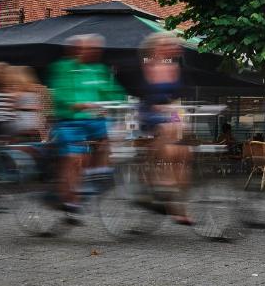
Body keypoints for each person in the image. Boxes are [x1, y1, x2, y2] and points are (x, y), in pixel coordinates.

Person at [47, 34, 126, 221]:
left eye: (96, 50)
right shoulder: (62, 68)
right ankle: (71, 199)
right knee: (74, 157)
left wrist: (120, 103)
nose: (93, 52)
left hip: (93, 119)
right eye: (88, 49)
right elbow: (60, 94)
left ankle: (96, 175)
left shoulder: (98, 69)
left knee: (110, 136)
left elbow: (113, 91)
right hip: (68, 120)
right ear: (75, 50)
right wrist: (79, 104)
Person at [137, 32, 191, 225]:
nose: (172, 47)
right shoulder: (148, 65)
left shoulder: (174, 67)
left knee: (183, 152)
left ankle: (178, 207)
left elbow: (176, 99)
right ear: (156, 48)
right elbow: (147, 96)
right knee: (169, 137)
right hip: (150, 112)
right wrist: (166, 110)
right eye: (167, 44)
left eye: (173, 45)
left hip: (170, 112)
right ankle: (158, 180)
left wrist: (178, 116)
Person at [8, 65, 49, 142]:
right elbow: (45, 108)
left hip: (20, 124)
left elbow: (10, 107)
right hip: (36, 124)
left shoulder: (14, 91)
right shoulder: (40, 89)